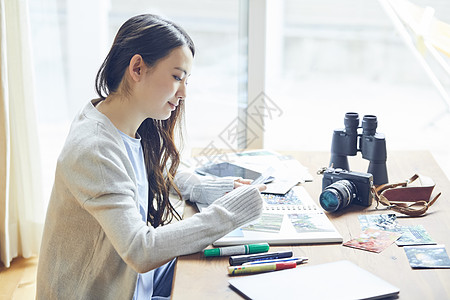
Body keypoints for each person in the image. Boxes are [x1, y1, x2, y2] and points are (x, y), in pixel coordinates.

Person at [36, 14, 264, 299]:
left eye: (186, 81)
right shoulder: (93, 149)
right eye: (176, 77)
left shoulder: (120, 122)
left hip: (135, 282)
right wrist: (231, 212)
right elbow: (140, 249)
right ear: (137, 68)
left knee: (235, 274)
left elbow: (144, 172)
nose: (183, 93)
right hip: (110, 290)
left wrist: (209, 188)